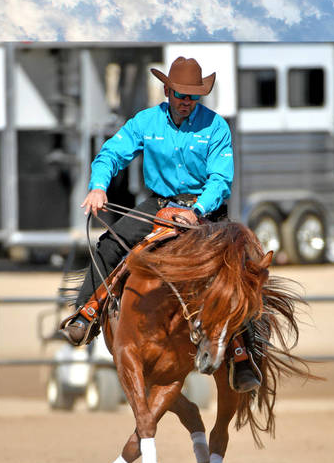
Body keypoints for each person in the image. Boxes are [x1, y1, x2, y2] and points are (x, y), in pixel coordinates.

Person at [58, 57, 261, 393]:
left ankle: (242, 354)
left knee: (239, 270)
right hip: (160, 204)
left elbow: (220, 179)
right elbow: (112, 153)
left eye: (193, 96)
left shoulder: (216, 127)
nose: (186, 101)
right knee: (109, 245)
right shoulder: (145, 121)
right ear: (167, 90)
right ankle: (86, 313)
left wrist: (197, 210)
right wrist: (98, 186)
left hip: (205, 210)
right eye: (181, 94)